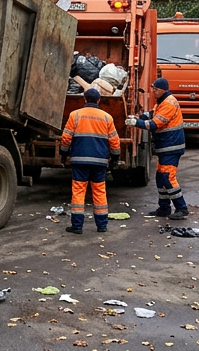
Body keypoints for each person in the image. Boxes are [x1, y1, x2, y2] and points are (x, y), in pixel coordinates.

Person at [60, 88, 121, 234]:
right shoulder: (107, 118)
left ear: (84, 99)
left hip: (79, 161)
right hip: (99, 162)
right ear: (99, 100)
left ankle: (77, 226)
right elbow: (115, 141)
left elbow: (66, 137)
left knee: (79, 192)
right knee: (99, 192)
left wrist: (63, 153)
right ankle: (102, 225)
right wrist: (115, 158)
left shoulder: (75, 115)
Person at [127, 77, 188, 220]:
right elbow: (152, 114)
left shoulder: (169, 103)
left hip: (171, 147)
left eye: (155, 89)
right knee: (161, 178)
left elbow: (155, 124)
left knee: (167, 177)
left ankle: (181, 208)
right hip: (166, 147)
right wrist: (138, 116)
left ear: (162, 90)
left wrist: (136, 123)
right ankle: (164, 208)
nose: (153, 91)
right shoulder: (162, 102)